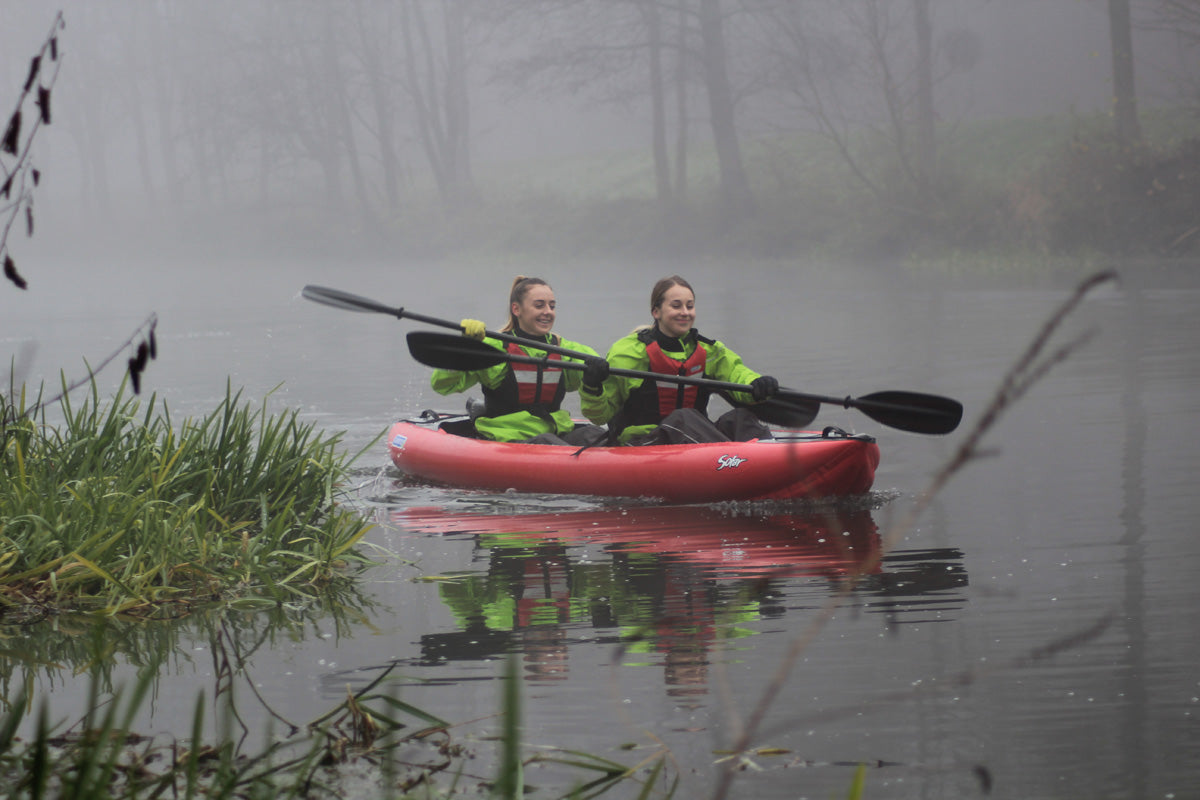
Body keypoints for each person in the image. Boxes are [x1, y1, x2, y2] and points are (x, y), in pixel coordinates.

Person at [580, 275, 779, 445]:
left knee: (739, 418)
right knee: (683, 418)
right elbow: (600, 416)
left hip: (691, 439)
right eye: (676, 306)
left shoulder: (708, 350)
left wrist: (756, 384)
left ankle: (769, 457)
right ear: (656, 312)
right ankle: (735, 460)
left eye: (689, 306)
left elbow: (736, 373)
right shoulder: (629, 352)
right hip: (642, 442)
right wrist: (592, 386)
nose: (685, 312)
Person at [431, 275, 610, 446]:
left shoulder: (567, 350)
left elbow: (600, 406)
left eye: (552, 306)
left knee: (593, 434)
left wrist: (592, 384)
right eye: (539, 306)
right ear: (516, 309)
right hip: (507, 437)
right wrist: (465, 347)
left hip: (555, 433)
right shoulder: (494, 348)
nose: (548, 312)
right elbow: (441, 385)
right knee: (545, 441)